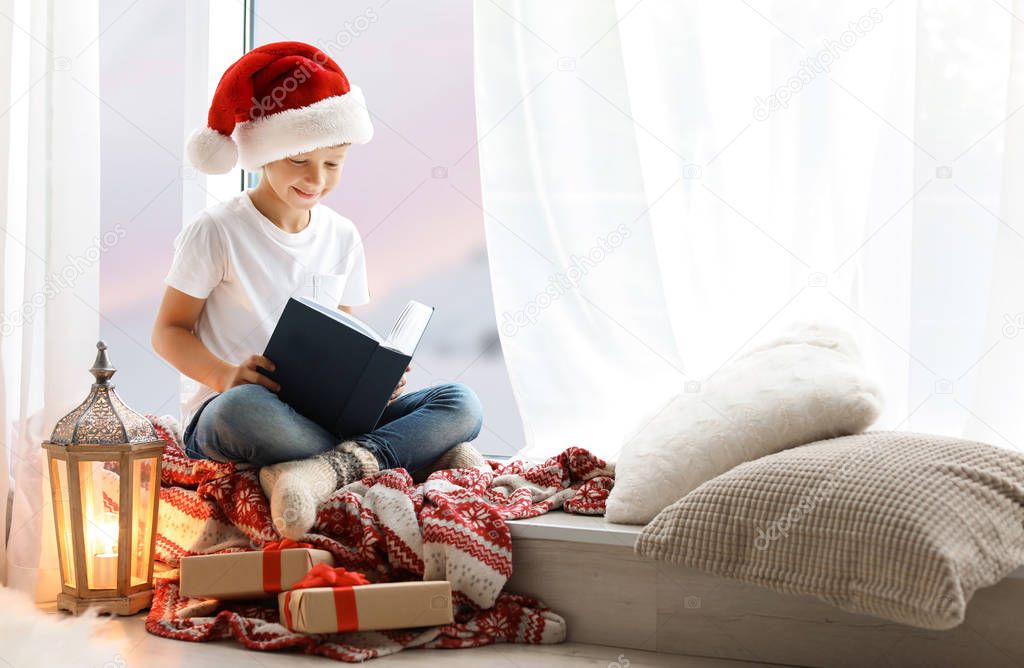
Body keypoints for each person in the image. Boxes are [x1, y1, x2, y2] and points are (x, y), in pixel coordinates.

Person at [151, 41, 484, 539]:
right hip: (234, 410)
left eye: (334, 163)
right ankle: (401, 454)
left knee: (461, 402)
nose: (317, 179)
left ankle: (325, 468)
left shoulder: (342, 235)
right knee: (245, 411)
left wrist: (372, 380)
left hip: (319, 417)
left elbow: (344, 333)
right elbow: (167, 332)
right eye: (300, 161)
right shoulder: (217, 231)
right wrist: (226, 376)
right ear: (263, 154)